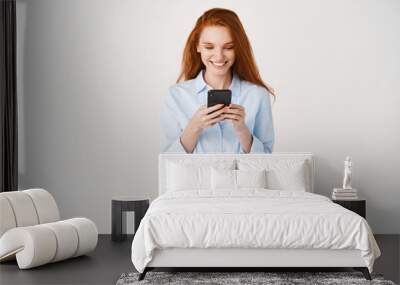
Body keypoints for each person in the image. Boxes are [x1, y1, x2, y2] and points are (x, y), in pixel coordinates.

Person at [160, 8, 275, 153]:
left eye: (228, 47)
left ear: (238, 48)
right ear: (197, 46)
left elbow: (267, 161)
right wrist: (194, 127)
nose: (219, 57)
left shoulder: (257, 95)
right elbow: (168, 162)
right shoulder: (176, 96)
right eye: (209, 47)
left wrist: (242, 130)